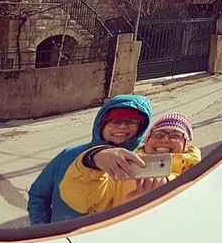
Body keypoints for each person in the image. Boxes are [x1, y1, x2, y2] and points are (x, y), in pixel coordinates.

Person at [27, 94, 152, 224]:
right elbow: (39, 195)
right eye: (115, 120)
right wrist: (43, 228)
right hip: (64, 237)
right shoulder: (68, 156)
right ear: (101, 124)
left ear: (141, 128)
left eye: (132, 121)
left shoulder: (143, 164)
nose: (122, 126)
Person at [58, 113, 201, 216]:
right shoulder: (122, 166)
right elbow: (82, 203)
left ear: (187, 144)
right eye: (158, 134)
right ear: (147, 140)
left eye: (175, 135)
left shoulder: (201, 172)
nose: (164, 139)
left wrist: (170, 188)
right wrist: (91, 160)